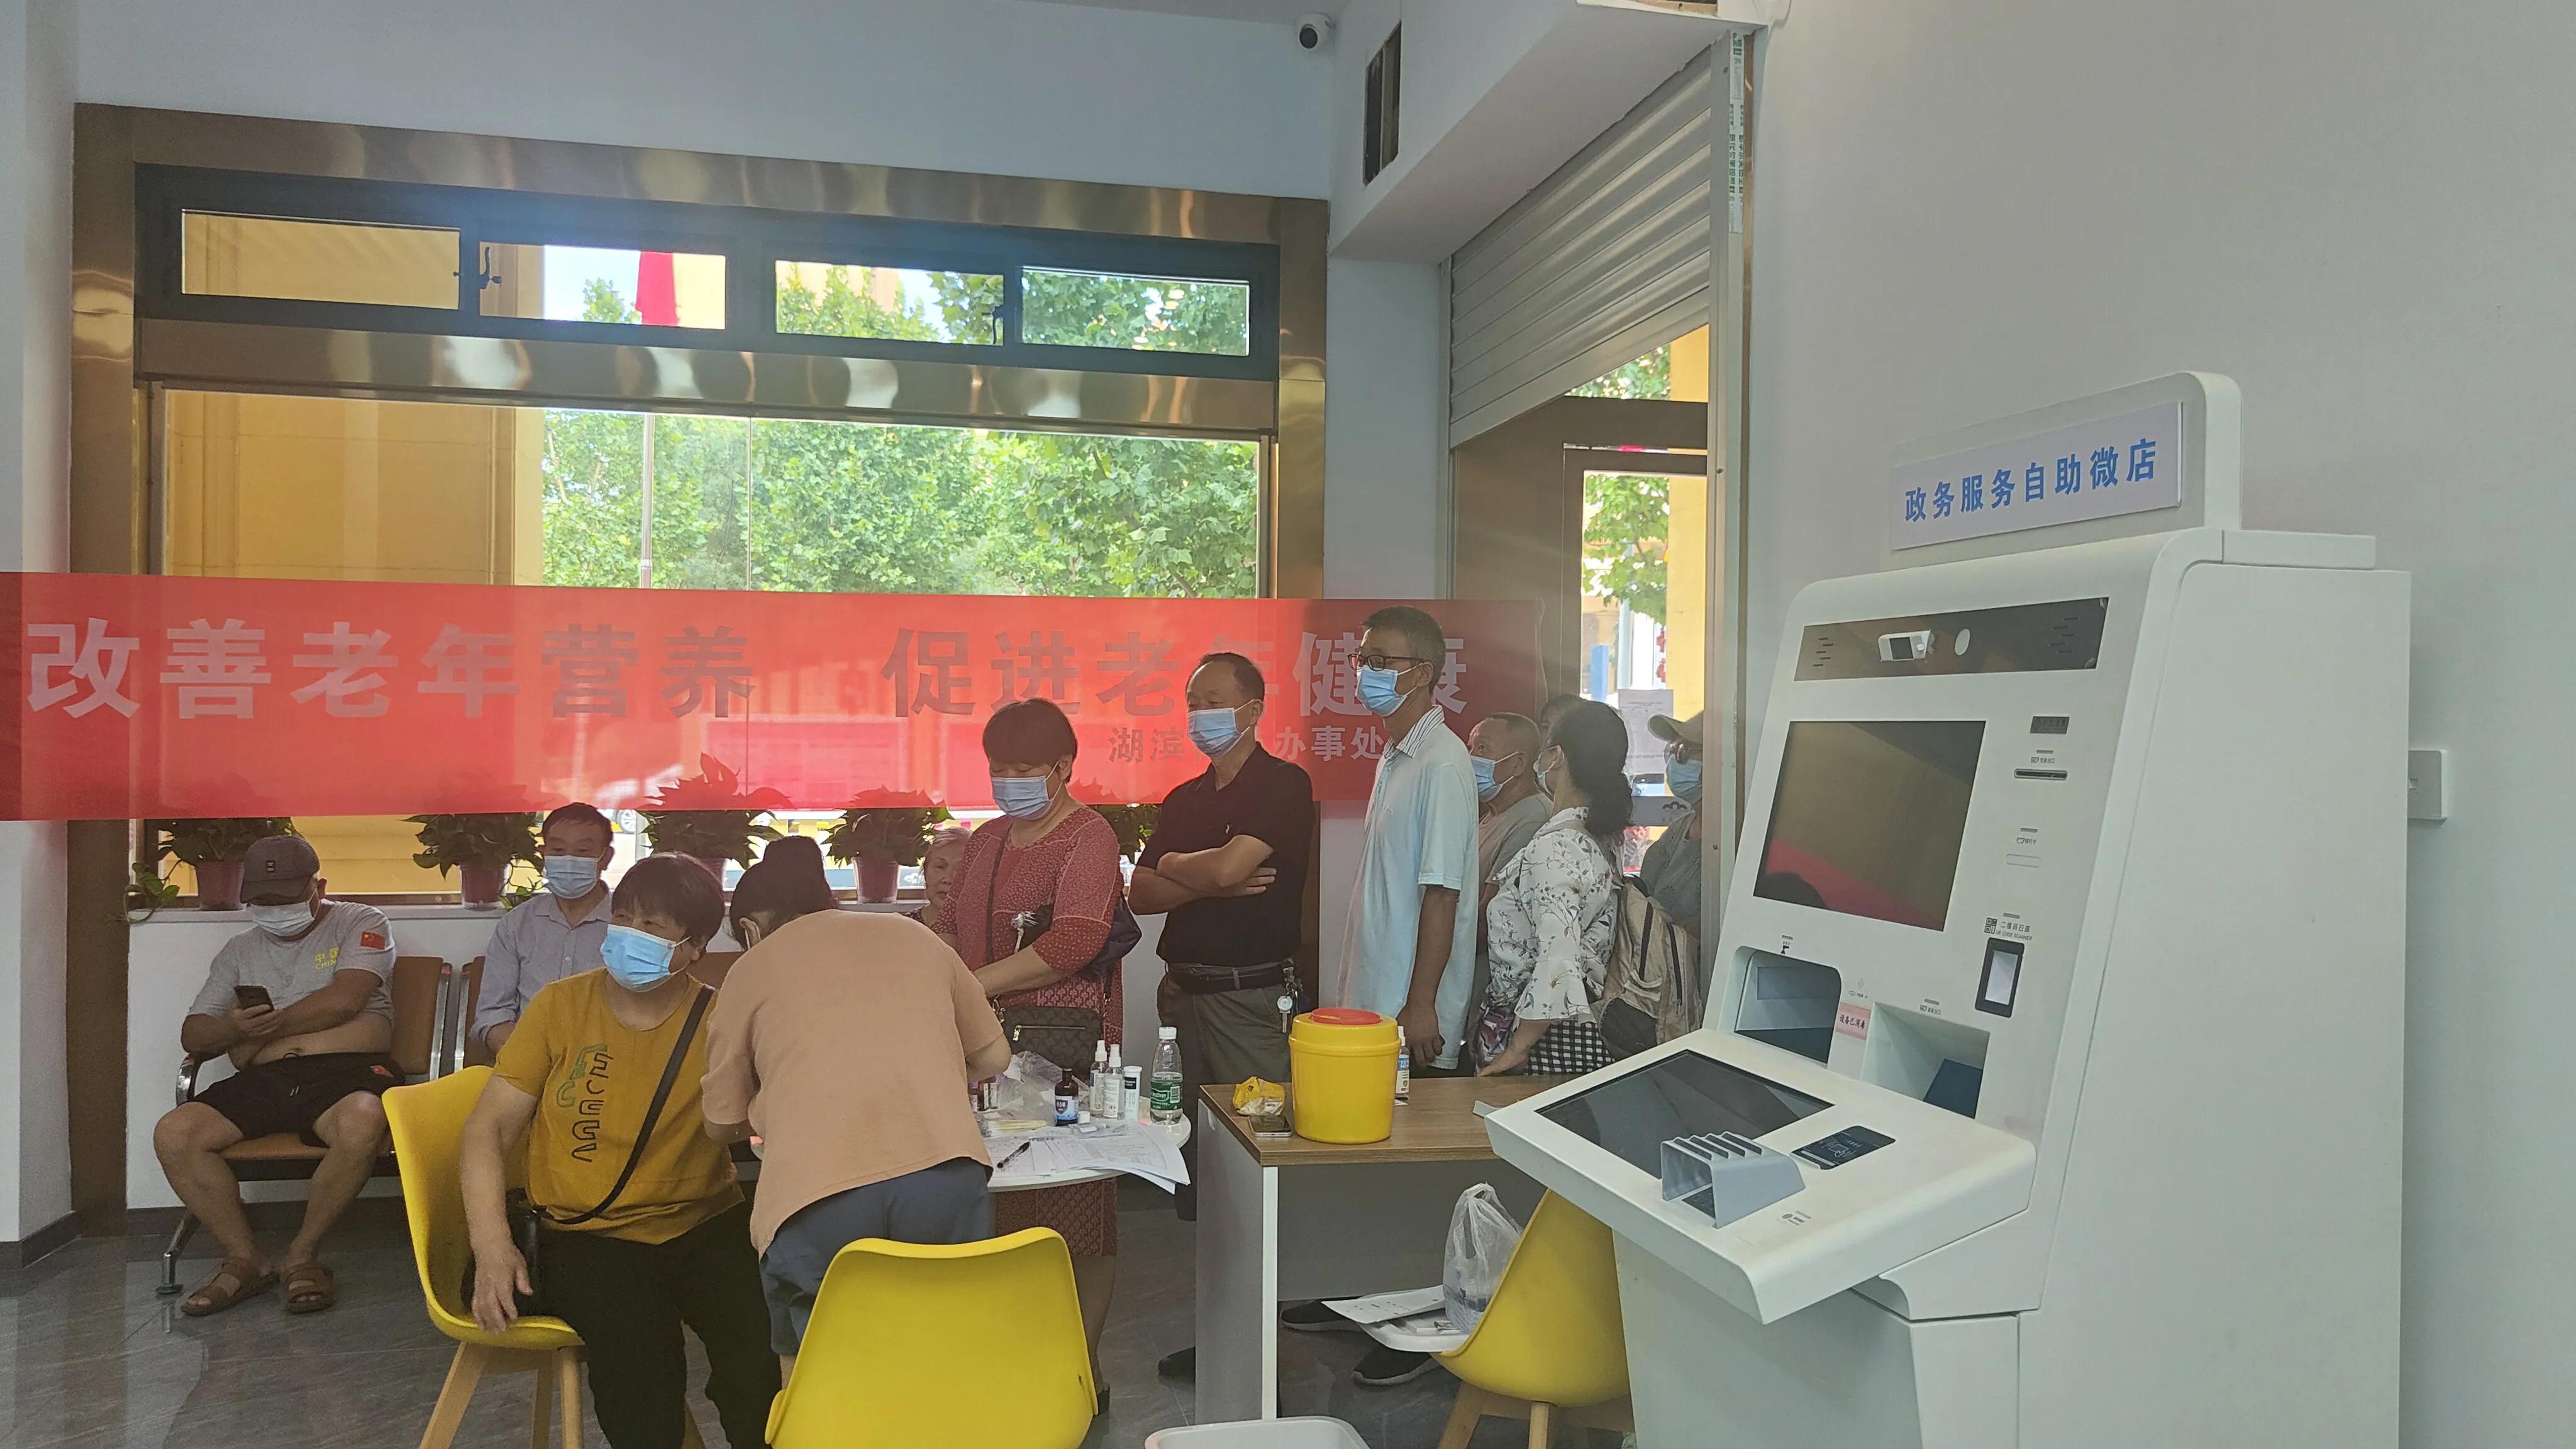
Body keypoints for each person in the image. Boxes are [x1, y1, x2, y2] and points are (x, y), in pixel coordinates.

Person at [461, 856, 779, 1449]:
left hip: (704, 1223)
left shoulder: (722, 1019)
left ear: (694, 948)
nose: (630, 935)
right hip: (587, 1235)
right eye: (624, 918)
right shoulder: (559, 1006)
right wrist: (492, 1246)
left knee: (760, 1361)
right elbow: (488, 1130)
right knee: (642, 1379)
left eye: (652, 927)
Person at [705, 853, 1012, 1366]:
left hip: (815, 1191)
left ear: (750, 928)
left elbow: (720, 1121)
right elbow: (994, 1057)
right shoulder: (916, 937)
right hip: (944, 1175)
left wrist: (769, 1101)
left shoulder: (751, 967)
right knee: (944, 1350)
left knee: (822, 1365)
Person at [931, 697, 1129, 1382]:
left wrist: (971, 985)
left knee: (1076, 1202)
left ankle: (1079, 1367)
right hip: (981, 1046)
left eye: (1024, 769)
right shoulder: (986, 840)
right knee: (995, 1193)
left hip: (1062, 1047)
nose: (1008, 782)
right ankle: (1009, 1361)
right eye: (999, 769)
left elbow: (1073, 942)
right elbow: (948, 923)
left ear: (1063, 767)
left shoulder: (1089, 837)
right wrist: (945, 982)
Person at [1130, 652, 1316, 1383]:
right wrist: (1201, 872)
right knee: (1201, 1174)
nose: (1199, 715)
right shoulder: (1184, 796)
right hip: (1182, 998)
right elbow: (1140, 894)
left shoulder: (1282, 785)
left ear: (1253, 709)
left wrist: (1184, 868)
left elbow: (1234, 871)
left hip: (1249, 1000)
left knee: (1256, 1167)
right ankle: (1222, 1334)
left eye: (1214, 700)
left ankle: (1266, 1350)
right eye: (1192, 702)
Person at [1308, 605, 1480, 1389]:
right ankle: (1358, 1297)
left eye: (1383, 660)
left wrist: (1422, 1006)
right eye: (1363, 657)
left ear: (1425, 673)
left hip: (1408, 1013)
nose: (1366, 672)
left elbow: (1441, 894)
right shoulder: (1396, 755)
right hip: (1371, 1003)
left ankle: (1415, 1332)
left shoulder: (1443, 762)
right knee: (1368, 1167)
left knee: (1411, 1178)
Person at [154, 835, 402, 1317]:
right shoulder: (239, 950)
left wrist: (258, 1038)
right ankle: (246, 1259)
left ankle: (302, 1256)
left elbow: (346, 1000)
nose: (274, 910)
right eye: (262, 901)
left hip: (348, 1072)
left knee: (364, 1118)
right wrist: (234, 1030)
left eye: (285, 898)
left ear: (318, 887)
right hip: (270, 1080)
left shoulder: (361, 921)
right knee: (175, 1133)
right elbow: (195, 1034)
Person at [1474, 701, 1633, 1076]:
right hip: (1567, 1028)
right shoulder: (1599, 840)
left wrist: (1519, 1047)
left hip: (1540, 1040)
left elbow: (1558, 955)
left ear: (1556, 757)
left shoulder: (1556, 848)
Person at [473, 803, 618, 1057]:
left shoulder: (629, 925)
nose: (569, 860)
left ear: (605, 858)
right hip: (525, 1061)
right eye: (558, 850)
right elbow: (493, 1015)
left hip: (606, 1062)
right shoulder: (516, 925)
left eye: (583, 851)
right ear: (543, 854)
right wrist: (528, 1060)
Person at [1467, 712, 1553, 1024]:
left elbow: (1490, 914)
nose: (1471, 758)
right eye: (1470, 747)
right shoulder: (1492, 815)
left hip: (1495, 987)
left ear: (1518, 764)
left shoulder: (1532, 818)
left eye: (1482, 748)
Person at [1642, 711, 1707, 942]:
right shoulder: (1677, 831)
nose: (1672, 762)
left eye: (1683, 752)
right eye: (1671, 751)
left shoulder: (1738, 837)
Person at [917, 821, 973, 923]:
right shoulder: (902, 927)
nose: (948, 879)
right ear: (925, 871)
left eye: (960, 870)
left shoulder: (988, 929)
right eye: (940, 867)